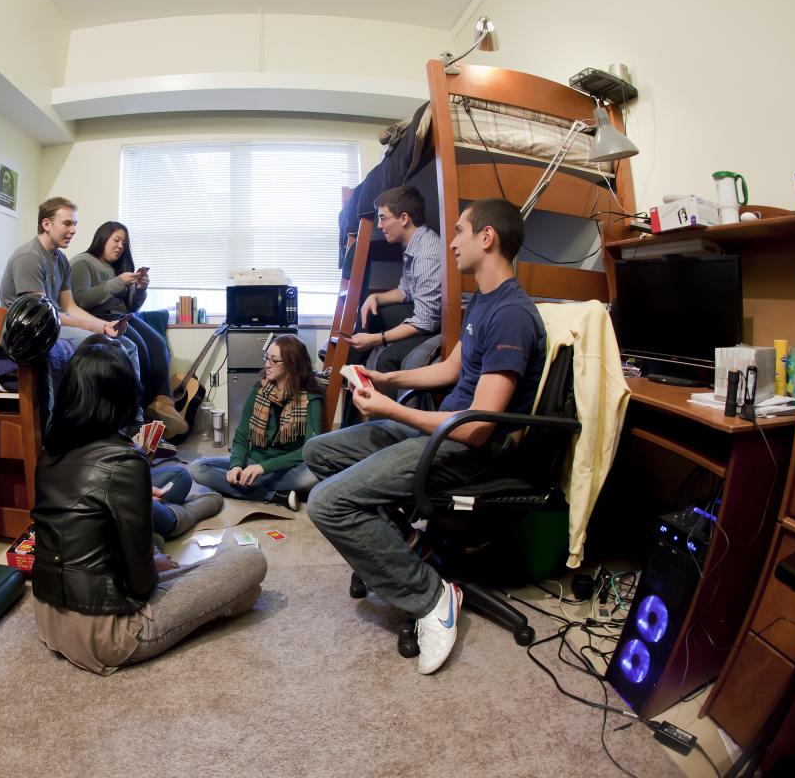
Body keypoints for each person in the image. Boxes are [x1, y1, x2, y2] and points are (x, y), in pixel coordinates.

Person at [304, 198, 547, 675]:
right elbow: (451, 368)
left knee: (327, 503)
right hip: (445, 432)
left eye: (459, 231)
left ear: (487, 237)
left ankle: (431, 596)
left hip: (468, 449)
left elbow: (476, 427)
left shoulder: (512, 315)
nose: (450, 242)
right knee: (319, 451)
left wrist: (392, 410)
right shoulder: (484, 301)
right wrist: (385, 381)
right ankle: (417, 550)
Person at [29, 336, 267, 675]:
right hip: (109, 634)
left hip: (48, 617)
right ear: (124, 396)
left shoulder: (50, 452)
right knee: (250, 562)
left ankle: (218, 596)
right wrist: (154, 566)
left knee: (166, 547)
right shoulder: (125, 461)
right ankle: (216, 599)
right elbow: (141, 585)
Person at [0, 197, 141, 394]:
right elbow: (42, 317)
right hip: (31, 330)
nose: (73, 230)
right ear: (46, 224)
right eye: (67, 223)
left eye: (75, 224)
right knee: (111, 348)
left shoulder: (61, 260)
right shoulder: (29, 257)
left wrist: (104, 325)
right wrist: (96, 327)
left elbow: (70, 307)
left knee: (129, 346)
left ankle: (132, 410)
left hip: (54, 323)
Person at [69, 221, 187, 437]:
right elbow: (79, 300)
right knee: (139, 348)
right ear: (102, 238)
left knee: (158, 344)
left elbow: (131, 306)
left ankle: (163, 403)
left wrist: (140, 290)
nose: (120, 246)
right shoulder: (82, 262)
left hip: (124, 315)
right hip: (99, 318)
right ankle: (139, 413)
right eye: (116, 240)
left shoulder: (119, 267)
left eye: (124, 243)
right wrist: (118, 282)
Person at [189, 334, 321, 511]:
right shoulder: (259, 390)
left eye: (274, 360)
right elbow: (241, 436)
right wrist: (236, 465)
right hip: (252, 461)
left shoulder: (311, 398)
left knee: (312, 477)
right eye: (267, 358)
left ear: (293, 364)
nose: (267, 364)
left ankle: (247, 486)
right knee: (197, 468)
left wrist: (263, 468)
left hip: (287, 468)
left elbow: (309, 450)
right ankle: (273, 494)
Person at [340, 185, 444, 374]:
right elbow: (405, 290)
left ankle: (349, 374)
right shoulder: (412, 244)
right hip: (422, 311)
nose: (379, 226)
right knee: (371, 312)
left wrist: (378, 339)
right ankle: (350, 373)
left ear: (404, 218)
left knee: (386, 359)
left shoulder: (427, 255)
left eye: (383, 218)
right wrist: (376, 297)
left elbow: (426, 321)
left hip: (436, 321)